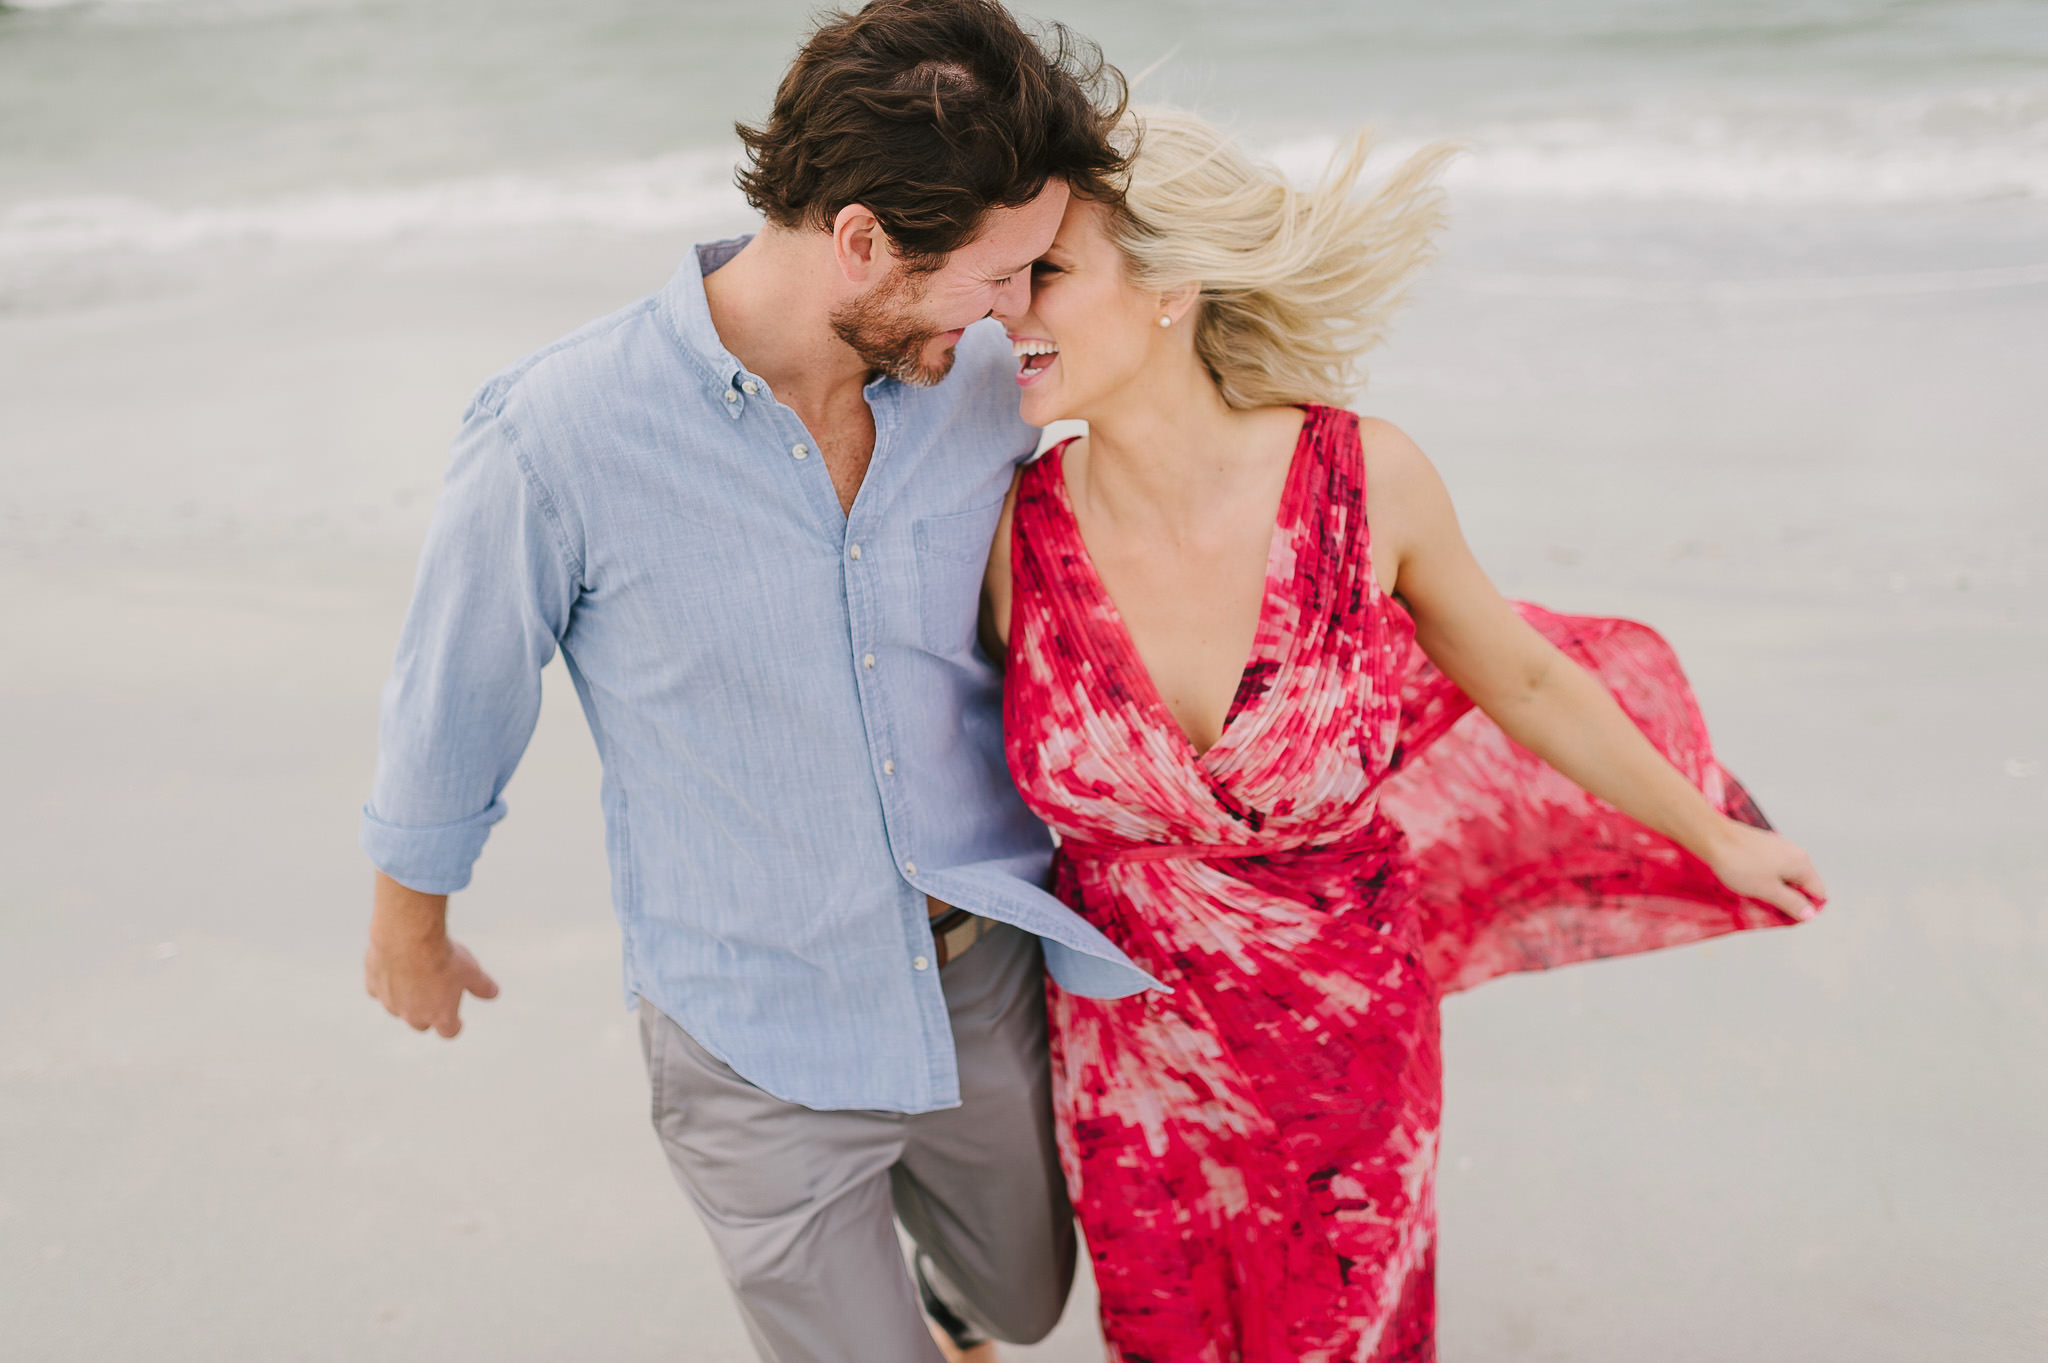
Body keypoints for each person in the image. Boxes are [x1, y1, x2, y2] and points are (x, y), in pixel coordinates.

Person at [357, 4, 1153, 1359]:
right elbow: (457, 691)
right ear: (861, 242)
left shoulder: (978, 382)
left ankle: (961, 1303)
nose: (1021, 310)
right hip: (748, 1031)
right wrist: (409, 926)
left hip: (981, 978)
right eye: (1001, 271)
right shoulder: (559, 429)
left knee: (1027, 1298)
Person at [983, 107, 1829, 1361]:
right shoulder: (1007, 532)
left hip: (1343, 1049)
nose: (1008, 310)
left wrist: (1711, 832)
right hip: (1128, 1058)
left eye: (1045, 273)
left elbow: (1526, 684)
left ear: (1170, 284)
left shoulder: (1362, 480)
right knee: (1163, 1340)